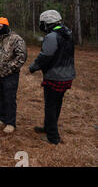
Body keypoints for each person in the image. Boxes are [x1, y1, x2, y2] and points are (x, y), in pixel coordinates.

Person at [29, 10, 75, 145]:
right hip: (67, 75)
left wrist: (33, 67)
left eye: (42, 23)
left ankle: (53, 137)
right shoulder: (67, 33)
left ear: (47, 22)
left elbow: (45, 56)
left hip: (55, 76)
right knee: (57, 103)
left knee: (50, 105)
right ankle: (48, 127)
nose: (41, 25)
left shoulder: (52, 37)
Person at [0, 17, 27, 134]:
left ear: (5, 26)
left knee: (9, 99)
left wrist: (9, 68)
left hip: (10, 76)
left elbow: (21, 57)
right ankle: (2, 119)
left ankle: (10, 123)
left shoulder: (16, 39)